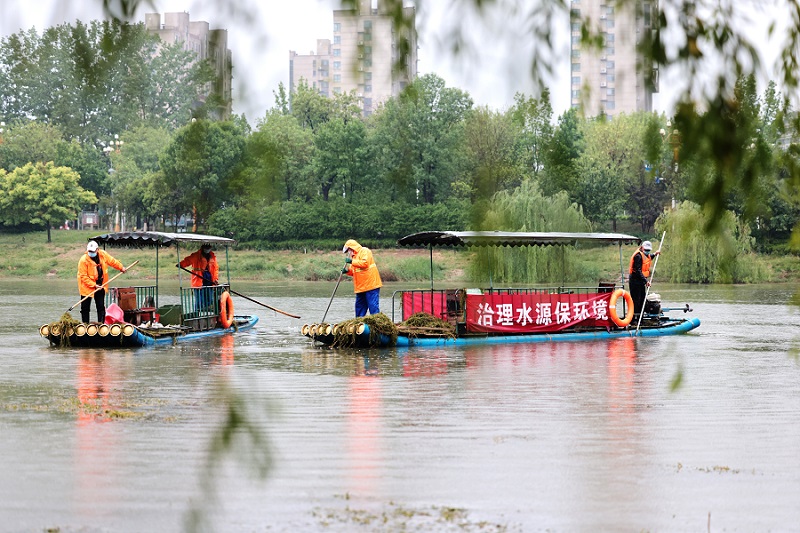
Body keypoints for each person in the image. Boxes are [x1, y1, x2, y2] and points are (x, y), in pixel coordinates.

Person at [77, 240, 126, 323]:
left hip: (101, 284)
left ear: (97, 250)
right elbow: (83, 277)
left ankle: (101, 324)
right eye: (89, 251)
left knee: (100, 306)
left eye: (93, 251)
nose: (91, 253)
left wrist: (121, 267)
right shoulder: (83, 260)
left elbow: (112, 261)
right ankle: (85, 325)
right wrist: (94, 285)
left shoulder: (102, 255)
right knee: (85, 308)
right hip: (87, 286)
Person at [342, 239, 383, 317]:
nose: (349, 252)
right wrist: (347, 271)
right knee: (359, 307)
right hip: (361, 287)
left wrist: (352, 262)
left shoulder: (364, 251)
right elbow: (355, 271)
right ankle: (359, 324)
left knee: (373, 306)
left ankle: (376, 322)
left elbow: (365, 263)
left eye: (349, 250)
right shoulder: (354, 257)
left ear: (352, 247)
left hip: (371, 285)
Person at [178, 244, 219, 313]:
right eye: (206, 247)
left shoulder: (212, 256)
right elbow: (188, 260)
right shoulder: (196, 255)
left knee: (209, 297)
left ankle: (208, 313)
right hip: (198, 277)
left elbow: (215, 268)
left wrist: (215, 279)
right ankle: (197, 312)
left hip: (209, 277)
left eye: (209, 247)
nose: (207, 249)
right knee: (199, 299)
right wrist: (181, 264)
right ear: (202, 247)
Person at [629, 240, 660, 317]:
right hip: (635, 281)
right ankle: (635, 318)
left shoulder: (646, 255)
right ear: (642, 248)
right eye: (646, 250)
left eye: (648, 250)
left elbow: (648, 259)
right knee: (636, 300)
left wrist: (655, 254)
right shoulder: (638, 256)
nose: (647, 251)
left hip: (641, 281)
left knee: (642, 299)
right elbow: (638, 271)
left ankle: (641, 316)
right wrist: (646, 281)